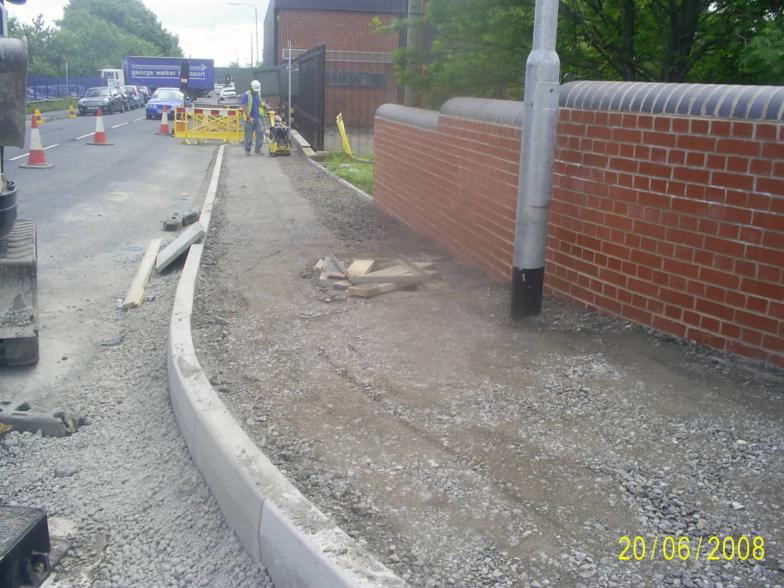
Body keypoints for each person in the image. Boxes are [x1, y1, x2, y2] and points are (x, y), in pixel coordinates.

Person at [241, 80, 266, 155]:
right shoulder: (246, 95)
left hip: (257, 117)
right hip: (249, 119)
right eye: (255, 90)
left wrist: (264, 106)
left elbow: (259, 103)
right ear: (251, 88)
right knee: (248, 135)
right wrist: (249, 117)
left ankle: (258, 149)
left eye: (257, 90)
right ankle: (247, 150)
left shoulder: (258, 93)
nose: (256, 92)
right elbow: (244, 106)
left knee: (260, 132)